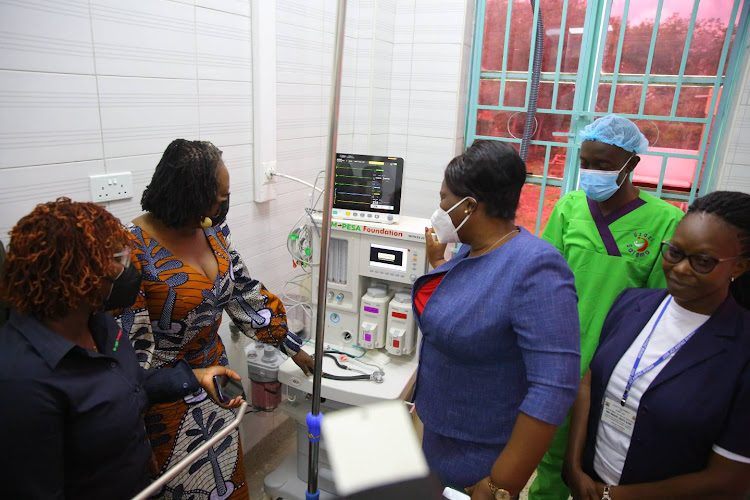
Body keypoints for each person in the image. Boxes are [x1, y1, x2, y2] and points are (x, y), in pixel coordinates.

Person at [0, 198, 243, 500]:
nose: (127, 267)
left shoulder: (99, 323)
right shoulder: (22, 382)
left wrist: (195, 376)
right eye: (116, 258)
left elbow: (127, 383)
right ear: (74, 277)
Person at [115, 139, 315, 499]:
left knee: (225, 481)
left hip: (219, 387)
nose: (225, 204)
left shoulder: (211, 231)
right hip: (165, 403)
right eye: (220, 196)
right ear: (190, 194)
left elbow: (242, 293)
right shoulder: (133, 251)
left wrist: (291, 346)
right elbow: (128, 354)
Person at [414, 139, 581, 499]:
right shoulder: (469, 250)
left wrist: (500, 484)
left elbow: (554, 386)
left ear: (469, 206)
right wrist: (438, 264)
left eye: (444, 199)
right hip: (438, 432)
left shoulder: (536, 267)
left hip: (480, 452)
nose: (439, 208)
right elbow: (472, 305)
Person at [530, 114, 685, 500]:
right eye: (585, 163)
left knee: (607, 463)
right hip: (562, 354)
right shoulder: (569, 208)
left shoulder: (665, 220)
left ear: (631, 164)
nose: (591, 172)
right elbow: (544, 280)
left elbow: (659, 307)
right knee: (551, 455)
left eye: (603, 164)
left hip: (618, 366)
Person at [563, 191, 750, 500]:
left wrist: (611, 496)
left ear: (739, 267)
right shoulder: (631, 304)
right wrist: (574, 467)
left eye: (702, 262)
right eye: (674, 252)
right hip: (588, 484)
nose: (680, 269)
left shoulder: (740, 349)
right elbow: (591, 380)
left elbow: (729, 480)